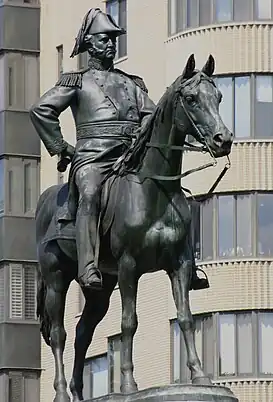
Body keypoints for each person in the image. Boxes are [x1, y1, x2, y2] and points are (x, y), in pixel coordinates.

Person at [30, 8, 208, 291]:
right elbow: (41, 110)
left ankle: (189, 265)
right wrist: (61, 147)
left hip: (128, 155)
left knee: (172, 193)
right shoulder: (77, 81)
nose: (111, 44)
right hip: (92, 157)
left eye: (114, 39)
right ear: (89, 43)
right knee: (89, 193)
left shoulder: (130, 83)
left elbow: (151, 115)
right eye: (105, 39)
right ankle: (87, 265)